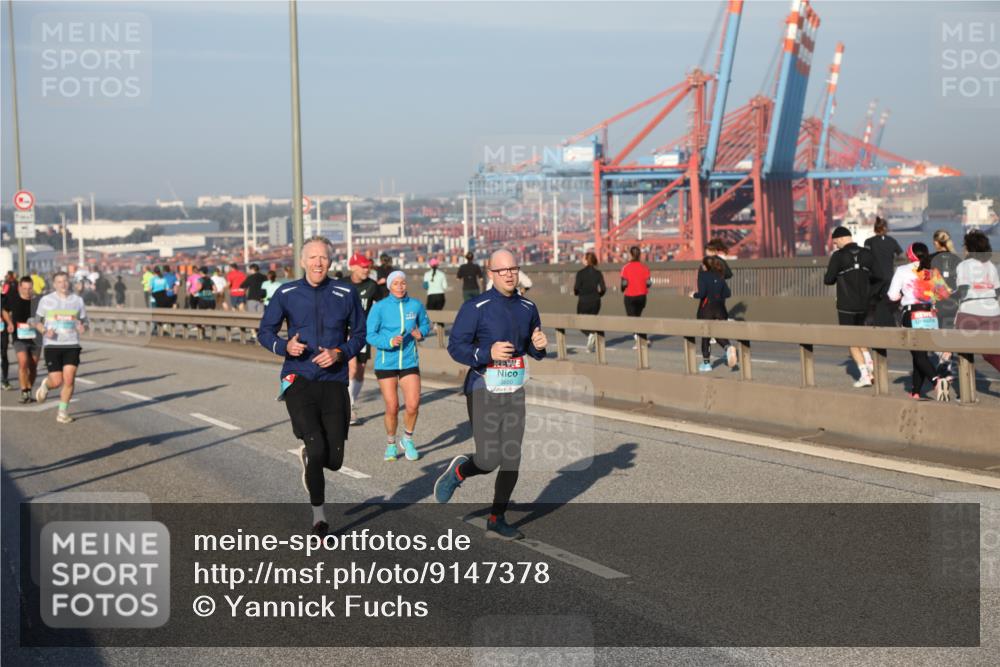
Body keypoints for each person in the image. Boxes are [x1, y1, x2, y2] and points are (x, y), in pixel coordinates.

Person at [435, 248, 548, 540]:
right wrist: (488, 353)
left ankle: (496, 518)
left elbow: (534, 352)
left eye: (513, 269)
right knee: (488, 459)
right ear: (491, 274)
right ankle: (460, 471)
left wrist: (539, 344)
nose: (509, 274)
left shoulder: (527, 307)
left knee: (511, 456)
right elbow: (455, 347)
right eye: (502, 270)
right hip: (483, 387)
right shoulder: (476, 307)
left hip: (515, 389)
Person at [258, 237, 367, 536]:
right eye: (313, 257)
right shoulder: (287, 292)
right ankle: (319, 517)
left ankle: (309, 459)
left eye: (324, 258)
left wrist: (340, 352)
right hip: (299, 378)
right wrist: (284, 347)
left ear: (331, 262)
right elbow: (264, 332)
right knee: (317, 445)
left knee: (333, 459)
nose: (318, 263)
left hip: (334, 380)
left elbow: (360, 334)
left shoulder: (346, 292)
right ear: (303, 261)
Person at [366, 270, 431, 462]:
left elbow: (426, 325)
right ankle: (391, 444)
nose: (400, 286)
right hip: (387, 362)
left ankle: (408, 439)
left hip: (409, 361)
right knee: (392, 406)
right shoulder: (380, 307)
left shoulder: (415, 305)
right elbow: (370, 334)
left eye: (403, 283)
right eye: (396, 283)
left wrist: (421, 333)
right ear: (389, 286)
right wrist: (389, 341)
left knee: (412, 405)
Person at [887, 242, 952, 399]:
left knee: (918, 354)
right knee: (920, 354)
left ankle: (936, 381)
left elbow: (892, 295)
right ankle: (915, 392)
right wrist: (931, 298)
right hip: (929, 315)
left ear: (910, 255)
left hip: (912, 314)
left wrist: (902, 296)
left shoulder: (902, 270)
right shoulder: (932, 271)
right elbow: (945, 294)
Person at [823, 226, 879, 388]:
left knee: (851, 339)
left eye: (835, 242)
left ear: (841, 239)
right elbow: (878, 276)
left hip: (846, 305)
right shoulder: (867, 254)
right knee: (861, 334)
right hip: (865, 304)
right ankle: (869, 362)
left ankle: (865, 375)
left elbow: (828, 280)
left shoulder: (838, 256)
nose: (835, 245)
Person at [34, 271, 88, 424]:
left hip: (72, 344)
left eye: (65, 281)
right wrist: (44, 330)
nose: (63, 284)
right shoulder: (46, 300)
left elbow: (84, 320)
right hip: (52, 345)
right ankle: (46, 385)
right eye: (59, 281)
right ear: (54, 284)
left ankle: (62, 412)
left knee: (69, 379)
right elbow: (36, 321)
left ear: (69, 282)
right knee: (57, 381)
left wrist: (83, 326)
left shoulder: (78, 300)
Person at [954, 230, 1000, 373]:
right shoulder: (990, 265)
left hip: (970, 311)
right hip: (993, 310)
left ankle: (965, 391)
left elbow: (963, 290)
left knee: (961, 347)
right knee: (992, 351)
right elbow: (998, 291)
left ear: (968, 248)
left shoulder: (964, 265)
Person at [346, 253, 379, 425]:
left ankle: (350, 402)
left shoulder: (372, 286)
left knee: (360, 370)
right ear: (353, 267)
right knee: (351, 368)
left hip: (363, 332)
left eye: (368, 267)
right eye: (363, 266)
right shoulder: (341, 284)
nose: (367, 270)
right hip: (344, 333)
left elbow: (383, 305)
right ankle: (349, 407)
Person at [692, 256, 738, 371]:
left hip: (707, 308)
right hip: (721, 309)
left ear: (706, 266)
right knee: (718, 333)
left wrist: (693, 295)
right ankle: (728, 348)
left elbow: (702, 294)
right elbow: (727, 294)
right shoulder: (720, 276)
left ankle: (706, 364)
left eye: (703, 264)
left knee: (706, 335)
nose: (701, 266)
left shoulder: (702, 275)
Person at [2, 276, 42, 402]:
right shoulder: (13, 298)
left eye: (29, 288)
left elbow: (46, 316)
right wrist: (9, 323)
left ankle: (29, 389)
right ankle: (24, 391)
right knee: (23, 362)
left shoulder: (38, 301)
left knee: (33, 366)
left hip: (35, 338)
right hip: (19, 337)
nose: (27, 291)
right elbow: (4, 310)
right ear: (19, 287)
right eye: (24, 288)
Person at [864, 217, 904, 327]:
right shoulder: (892, 241)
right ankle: (898, 322)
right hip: (889, 277)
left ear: (875, 229)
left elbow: (866, 257)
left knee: (872, 303)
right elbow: (900, 255)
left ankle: (869, 324)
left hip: (875, 278)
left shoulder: (869, 242)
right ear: (885, 228)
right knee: (892, 304)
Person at [574, 251, 606, 351]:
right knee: (592, 321)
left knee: (580, 322)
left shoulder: (580, 273)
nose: (582, 260)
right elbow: (603, 289)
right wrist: (598, 296)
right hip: (596, 301)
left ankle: (590, 335)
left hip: (583, 301)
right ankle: (592, 337)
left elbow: (576, 288)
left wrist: (578, 293)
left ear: (587, 260)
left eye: (583, 258)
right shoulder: (598, 273)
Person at [621, 245, 652, 349]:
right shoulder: (645, 267)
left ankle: (641, 340)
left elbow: (624, 283)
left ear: (630, 254)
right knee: (638, 318)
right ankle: (641, 339)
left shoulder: (626, 267)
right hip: (642, 296)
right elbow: (648, 283)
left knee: (632, 320)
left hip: (630, 296)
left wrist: (622, 289)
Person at [1, 271, 17, 389]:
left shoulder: (4, 295)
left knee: (3, 353)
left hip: (2, 328)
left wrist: (10, 322)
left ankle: (5, 380)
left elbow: (6, 310)